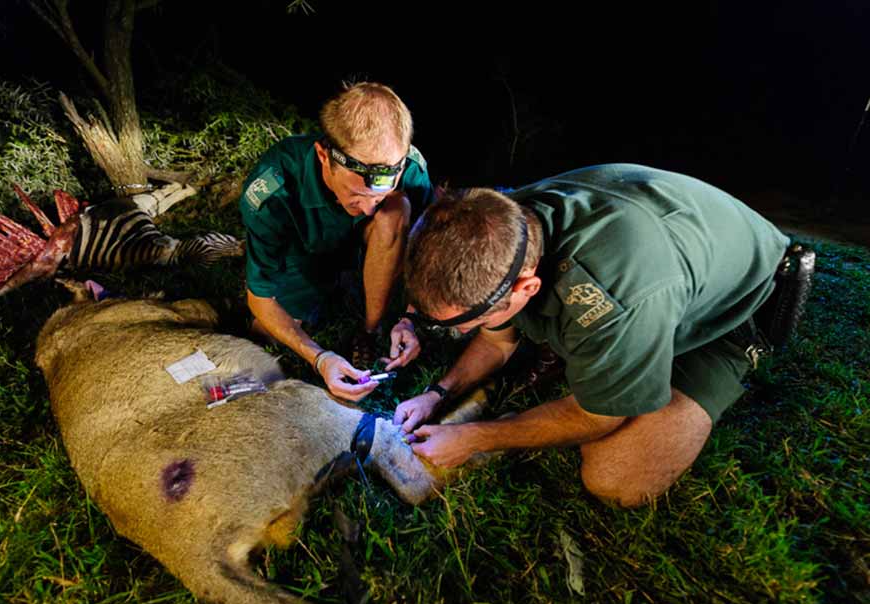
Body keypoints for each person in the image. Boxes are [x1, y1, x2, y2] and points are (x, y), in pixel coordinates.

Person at [394, 164, 791, 508]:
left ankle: (739, 354)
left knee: (615, 479)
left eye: (462, 321)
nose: (459, 332)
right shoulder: (503, 224)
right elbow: (498, 340)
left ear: (525, 287)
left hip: (736, 306)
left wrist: (475, 438)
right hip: (675, 250)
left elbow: (598, 415)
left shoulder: (615, 294)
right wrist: (438, 394)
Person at [239, 82, 434, 401]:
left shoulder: (410, 168)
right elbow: (260, 298)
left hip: (372, 246)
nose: (370, 206)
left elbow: (428, 252)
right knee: (264, 335)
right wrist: (320, 357)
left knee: (396, 211)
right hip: (304, 255)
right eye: (357, 195)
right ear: (323, 155)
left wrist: (410, 317)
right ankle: (328, 290)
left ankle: (369, 330)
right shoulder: (273, 188)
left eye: (379, 195)